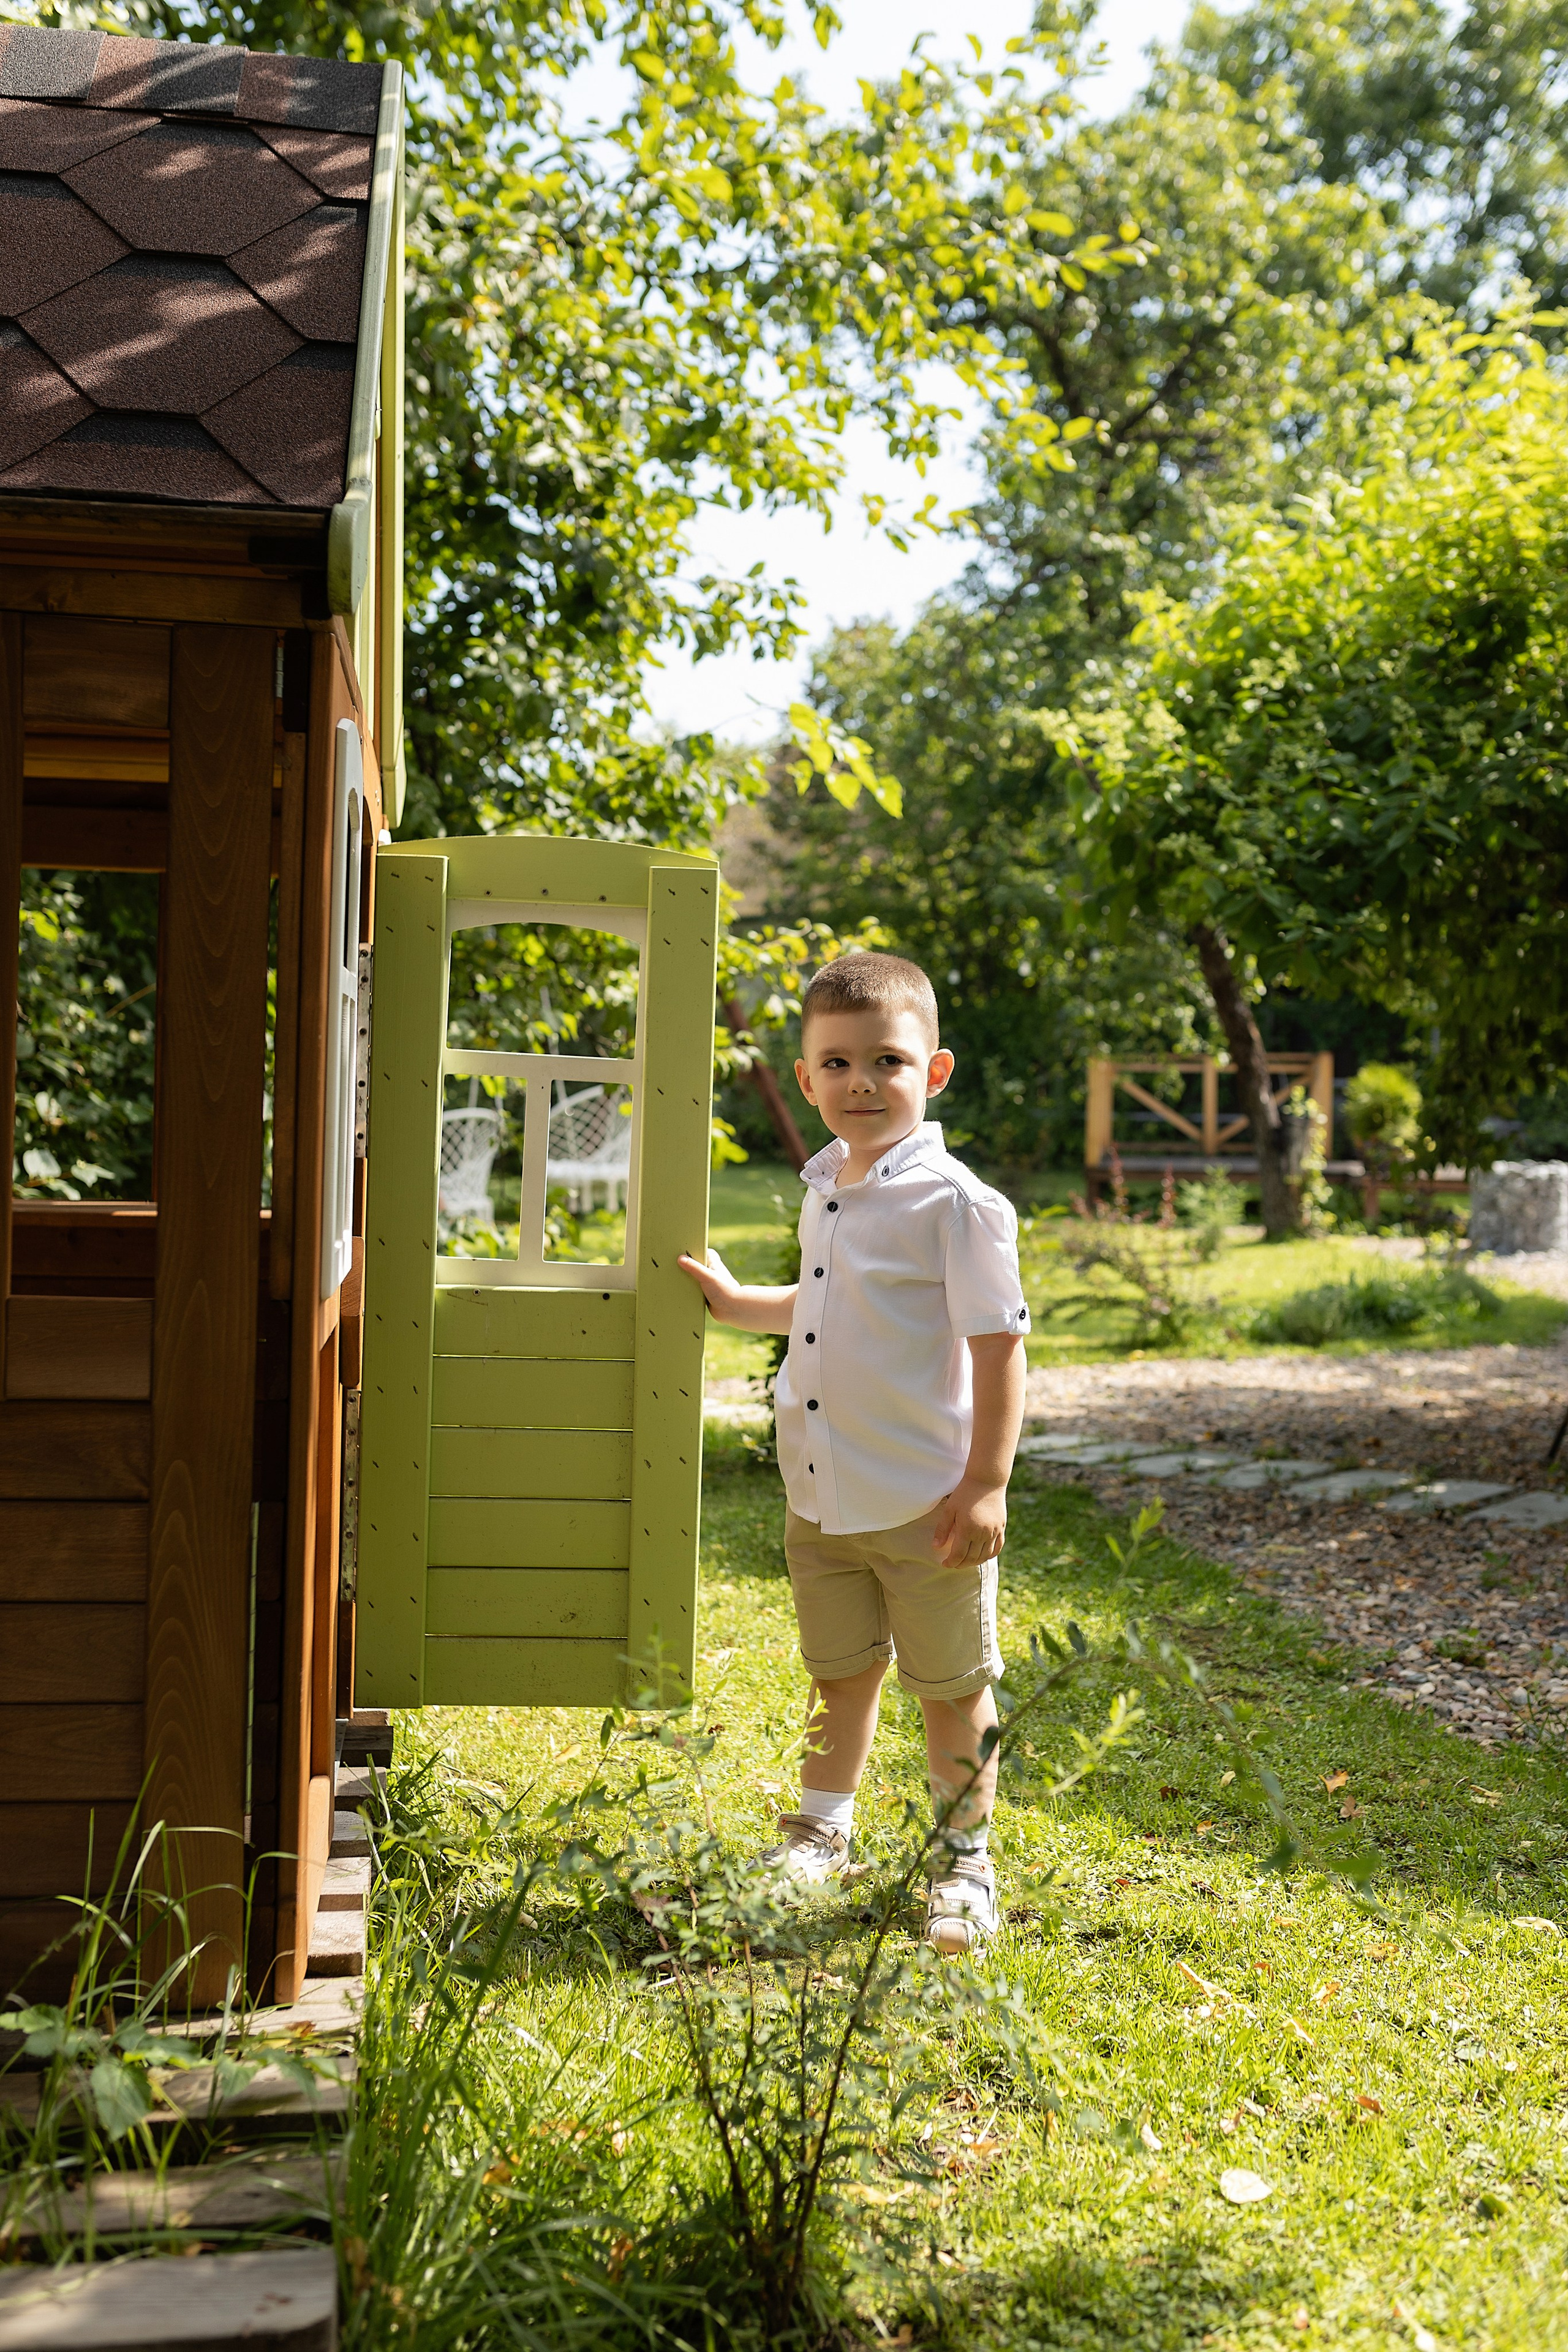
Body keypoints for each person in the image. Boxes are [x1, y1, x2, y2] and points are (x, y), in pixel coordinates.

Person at [679, 951, 1030, 1954]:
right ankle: (820, 1834)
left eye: (889, 1060)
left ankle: (964, 1861)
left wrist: (987, 1484)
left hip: (927, 1503)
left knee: (953, 1689)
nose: (862, 1083)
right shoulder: (828, 1185)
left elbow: (1000, 1347)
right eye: (836, 1064)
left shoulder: (957, 1205)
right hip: (823, 1499)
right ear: (805, 1077)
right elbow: (831, 1302)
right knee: (840, 1674)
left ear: (938, 1070)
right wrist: (747, 1305)